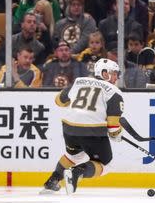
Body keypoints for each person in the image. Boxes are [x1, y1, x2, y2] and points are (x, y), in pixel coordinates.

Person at [41, 57, 123, 194]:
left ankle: (52, 181)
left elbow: (59, 101)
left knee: (73, 156)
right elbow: (113, 127)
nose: (116, 77)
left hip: (69, 128)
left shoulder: (79, 82)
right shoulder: (114, 92)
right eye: (113, 73)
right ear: (104, 73)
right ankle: (76, 173)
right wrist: (117, 134)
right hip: (92, 132)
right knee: (105, 164)